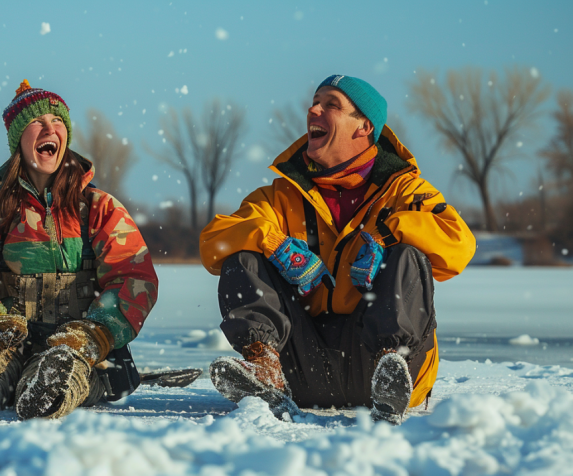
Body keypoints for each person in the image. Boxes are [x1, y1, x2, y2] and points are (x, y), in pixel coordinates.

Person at [200, 75, 475, 424]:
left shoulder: (405, 191)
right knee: (243, 253)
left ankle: (391, 367)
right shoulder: (281, 196)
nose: (313, 109)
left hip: (377, 366)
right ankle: (264, 369)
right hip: (299, 367)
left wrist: (385, 236)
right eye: (315, 101)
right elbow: (214, 240)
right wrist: (274, 243)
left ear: (364, 126)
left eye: (331, 104)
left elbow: (459, 243)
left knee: (409, 255)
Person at [0, 80, 158, 420]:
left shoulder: (100, 209)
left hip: (78, 346)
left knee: (69, 369)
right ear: (19, 138)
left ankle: (48, 390)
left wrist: (97, 331)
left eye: (57, 120)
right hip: (6, 344)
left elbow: (134, 278)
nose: (49, 127)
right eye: (37, 121)